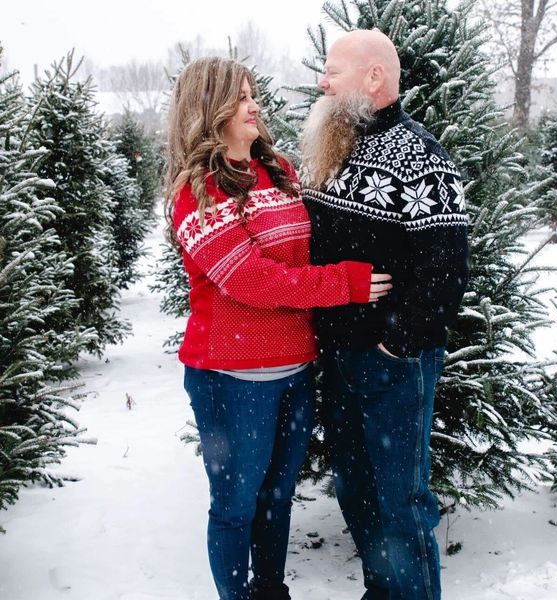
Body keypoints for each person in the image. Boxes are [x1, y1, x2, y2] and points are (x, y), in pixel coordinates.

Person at [164, 57, 392, 600]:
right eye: (241, 97)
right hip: (232, 375)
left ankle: (270, 590)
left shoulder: (279, 171)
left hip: (295, 367)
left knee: (278, 495)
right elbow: (251, 280)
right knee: (237, 504)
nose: (254, 104)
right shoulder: (196, 192)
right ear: (211, 107)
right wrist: (345, 284)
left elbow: (309, 245)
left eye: (252, 93)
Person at [301, 30, 469, 600]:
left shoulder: (421, 158)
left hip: (391, 366)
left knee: (401, 500)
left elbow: (445, 274)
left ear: (374, 78)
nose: (322, 81)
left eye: (334, 71)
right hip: (340, 359)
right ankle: (383, 590)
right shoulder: (335, 146)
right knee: (354, 486)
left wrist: (397, 341)